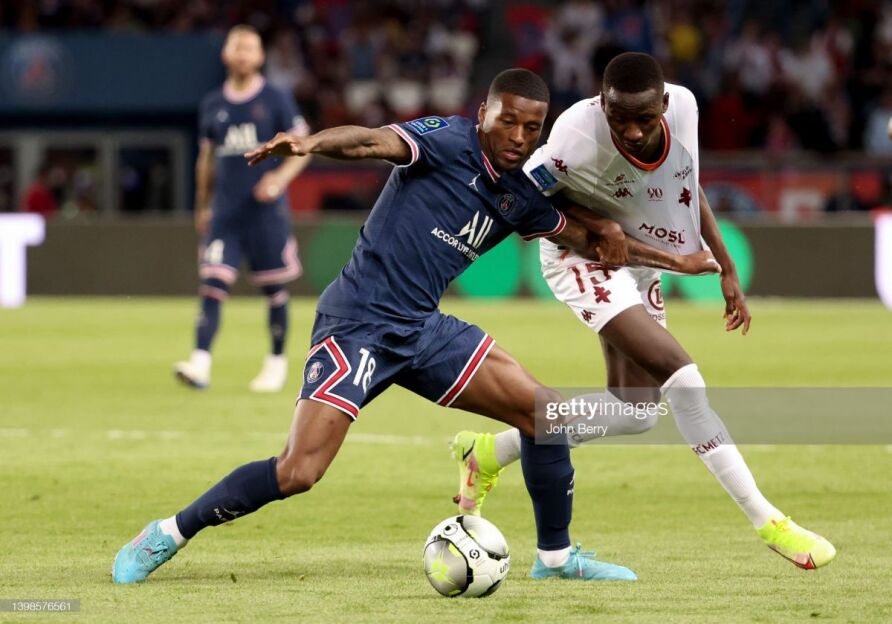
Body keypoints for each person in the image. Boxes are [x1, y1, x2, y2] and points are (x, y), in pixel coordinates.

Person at [112, 69, 718, 585]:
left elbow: (592, 242)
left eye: (532, 129)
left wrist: (681, 261)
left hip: (423, 331)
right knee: (298, 472)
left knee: (546, 416)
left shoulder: (521, 197)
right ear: (484, 113)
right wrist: (309, 143)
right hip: (357, 325)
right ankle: (168, 531)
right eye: (508, 121)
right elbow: (370, 141)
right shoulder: (446, 140)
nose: (518, 137)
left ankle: (555, 560)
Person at [450, 53, 836, 571]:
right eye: (619, 119)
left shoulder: (687, 109)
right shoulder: (575, 135)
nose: (632, 132)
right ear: (602, 105)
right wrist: (603, 226)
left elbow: (687, 188)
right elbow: (518, 195)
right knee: (685, 381)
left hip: (641, 259)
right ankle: (770, 522)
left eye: (644, 119)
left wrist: (727, 268)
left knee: (635, 412)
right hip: (580, 255)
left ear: (665, 105)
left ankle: (488, 452)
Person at [174, 24, 312, 393]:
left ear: (260, 56)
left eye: (250, 48)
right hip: (226, 213)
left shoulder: (276, 98)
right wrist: (202, 205)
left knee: (274, 289)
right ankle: (200, 363)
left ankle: (276, 363)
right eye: (237, 47)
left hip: (266, 214)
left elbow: (303, 148)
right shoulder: (212, 104)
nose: (243, 54)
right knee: (213, 283)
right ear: (226, 54)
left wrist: (279, 179)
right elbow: (206, 160)